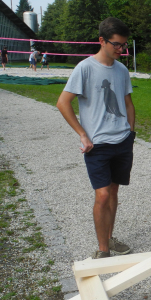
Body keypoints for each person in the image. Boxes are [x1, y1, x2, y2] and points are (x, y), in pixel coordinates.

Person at [56, 17, 135, 259]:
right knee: (102, 195)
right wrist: (83, 134)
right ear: (102, 40)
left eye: (124, 44)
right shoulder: (85, 68)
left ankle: (109, 238)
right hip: (97, 145)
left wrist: (131, 133)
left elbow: (128, 103)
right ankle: (103, 250)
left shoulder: (122, 70)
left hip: (122, 141)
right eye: (117, 44)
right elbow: (63, 103)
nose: (121, 49)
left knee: (113, 191)